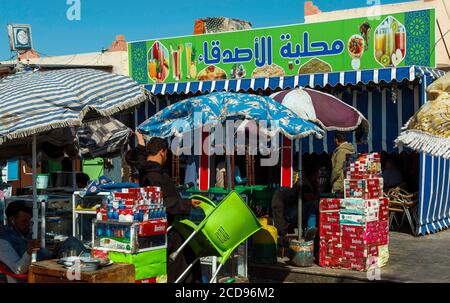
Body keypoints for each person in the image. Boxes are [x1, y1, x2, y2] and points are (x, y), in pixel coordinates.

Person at [126, 130, 202, 283]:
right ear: (162, 152)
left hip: (162, 229)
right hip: (167, 229)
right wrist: (188, 203)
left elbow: (137, 158)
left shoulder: (146, 169)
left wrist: (140, 143)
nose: (167, 157)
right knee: (181, 268)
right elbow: (161, 202)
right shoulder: (153, 174)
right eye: (166, 153)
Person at [0, 201, 87, 283]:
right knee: (73, 247)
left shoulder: (23, 234)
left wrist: (53, 252)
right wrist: (29, 253)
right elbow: (18, 270)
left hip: (45, 267)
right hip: (35, 276)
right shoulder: (3, 241)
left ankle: (89, 265)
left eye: (29, 221)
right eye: (24, 221)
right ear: (12, 220)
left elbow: (42, 254)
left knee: (71, 242)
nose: (27, 225)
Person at [331, 132, 355, 196]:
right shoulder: (351, 149)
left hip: (340, 184)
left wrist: (331, 180)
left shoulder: (341, 151)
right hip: (349, 181)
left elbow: (337, 169)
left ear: (336, 139)